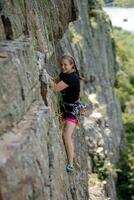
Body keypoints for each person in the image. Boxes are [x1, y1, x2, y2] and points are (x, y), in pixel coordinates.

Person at [49, 55, 80, 173]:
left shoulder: (72, 77)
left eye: (65, 65)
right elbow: (54, 80)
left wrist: (45, 78)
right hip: (65, 107)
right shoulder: (65, 73)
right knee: (66, 135)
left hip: (72, 111)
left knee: (66, 135)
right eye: (61, 64)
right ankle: (73, 156)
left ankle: (71, 164)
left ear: (72, 65)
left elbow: (55, 88)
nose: (62, 67)